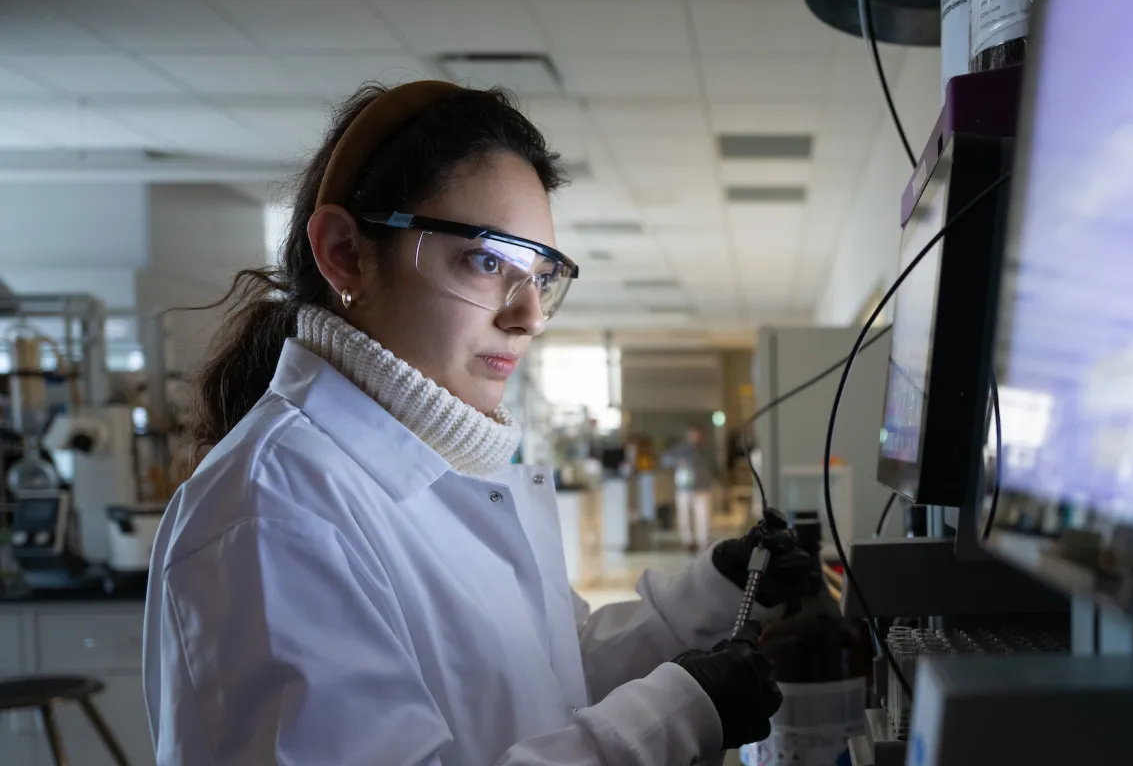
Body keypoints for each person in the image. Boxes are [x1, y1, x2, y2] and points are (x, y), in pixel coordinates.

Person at [142, 80, 820, 765]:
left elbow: (552, 678)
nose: (529, 317)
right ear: (345, 253)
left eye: (541, 275)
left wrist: (711, 595)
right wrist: (673, 717)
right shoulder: (275, 511)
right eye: (487, 260)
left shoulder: (452, 468)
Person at [665, 425, 716, 552]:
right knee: (684, 515)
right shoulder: (680, 450)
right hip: (684, 488)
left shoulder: (708, 451)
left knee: (703, 516)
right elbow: (665, 459)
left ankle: (703, 540)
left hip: (703, 487)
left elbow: (715, 466)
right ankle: (688, 540)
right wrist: (677, 462)